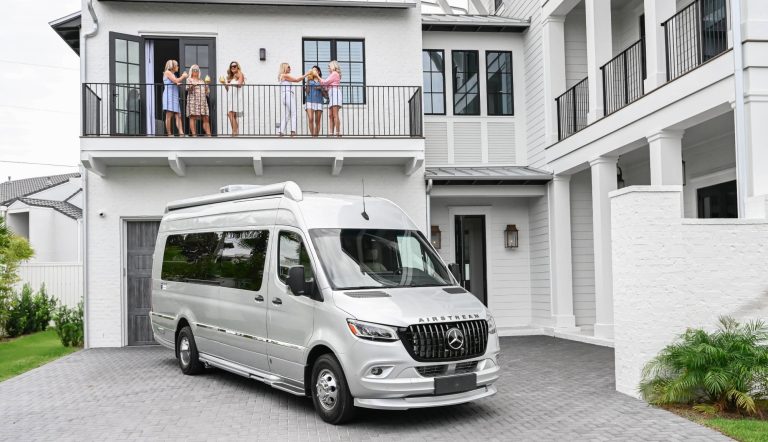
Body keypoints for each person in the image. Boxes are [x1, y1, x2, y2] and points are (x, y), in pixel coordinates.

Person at [277, 62, 306, 137]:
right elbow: (297, 80)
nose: (290, 68)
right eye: (288, 67)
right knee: (294, 113)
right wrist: (307, 74)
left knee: (287, 114)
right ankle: (293, 131)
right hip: (288, 94)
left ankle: (280, 130)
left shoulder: (281, 76)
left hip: (285, 95)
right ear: (284, 68)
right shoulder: (284, 75)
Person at [162, 60, 187, 136]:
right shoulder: (167, 72)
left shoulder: (173, 74)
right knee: (169, 115)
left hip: (174, 96)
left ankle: (181, 133)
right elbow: (176, 80)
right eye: (177, 65)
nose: (178, 67)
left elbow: (175, 81)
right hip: (169, 96)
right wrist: (183, 76)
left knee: (178, 115)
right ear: (172, 66)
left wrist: (177, 83)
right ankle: (169, 134)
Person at [221, 61, 245, 136]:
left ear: (237, 67)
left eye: (234, 66)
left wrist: (231, 83)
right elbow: (228, 89)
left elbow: (240, 85)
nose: (233, 67)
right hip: (231, 97)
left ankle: (234, 131)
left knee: (230, 114)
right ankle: (235, 131)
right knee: (232, 115)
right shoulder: (231, 77)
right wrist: (224, 84)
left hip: (236, 98)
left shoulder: (240, 74)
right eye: (231, 67)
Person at [186, 65, 211, 136]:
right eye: (194, 69)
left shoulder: (202, 81)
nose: (195, 71)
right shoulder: (189, 79)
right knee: (193, 117)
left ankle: (209, 135)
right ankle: (194, 135)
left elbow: (207, 92)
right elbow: (188, 89)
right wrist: (193, 85)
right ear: (191, 71)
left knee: (206, 117)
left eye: (197, 69)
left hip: (202, 101)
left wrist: (207, 85)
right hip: (193, 100)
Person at [319, 61, 342, 137]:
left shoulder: (335, 73)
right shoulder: (332, 75)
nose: (328, 68)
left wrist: (318, 76)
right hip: (331, 94)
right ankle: (331, 133)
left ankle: (338, 132)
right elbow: (325, 86)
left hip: (335, 93)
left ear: (333, 66)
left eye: (329, 67)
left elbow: (325, 82)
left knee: (335, 114)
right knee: (330, 115)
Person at [304, 68, 324, 137]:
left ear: (318, 72)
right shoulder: (309, 80)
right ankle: (312, 136)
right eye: (313, 70)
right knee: (311, 119)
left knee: (317, 121)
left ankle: (316, 136)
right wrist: (307, 81)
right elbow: (307, 92)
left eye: (315, 70)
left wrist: (321, 88)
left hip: (319, 101)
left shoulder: (321, 80)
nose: (314, 71)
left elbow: (325, 93)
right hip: (309, 101)